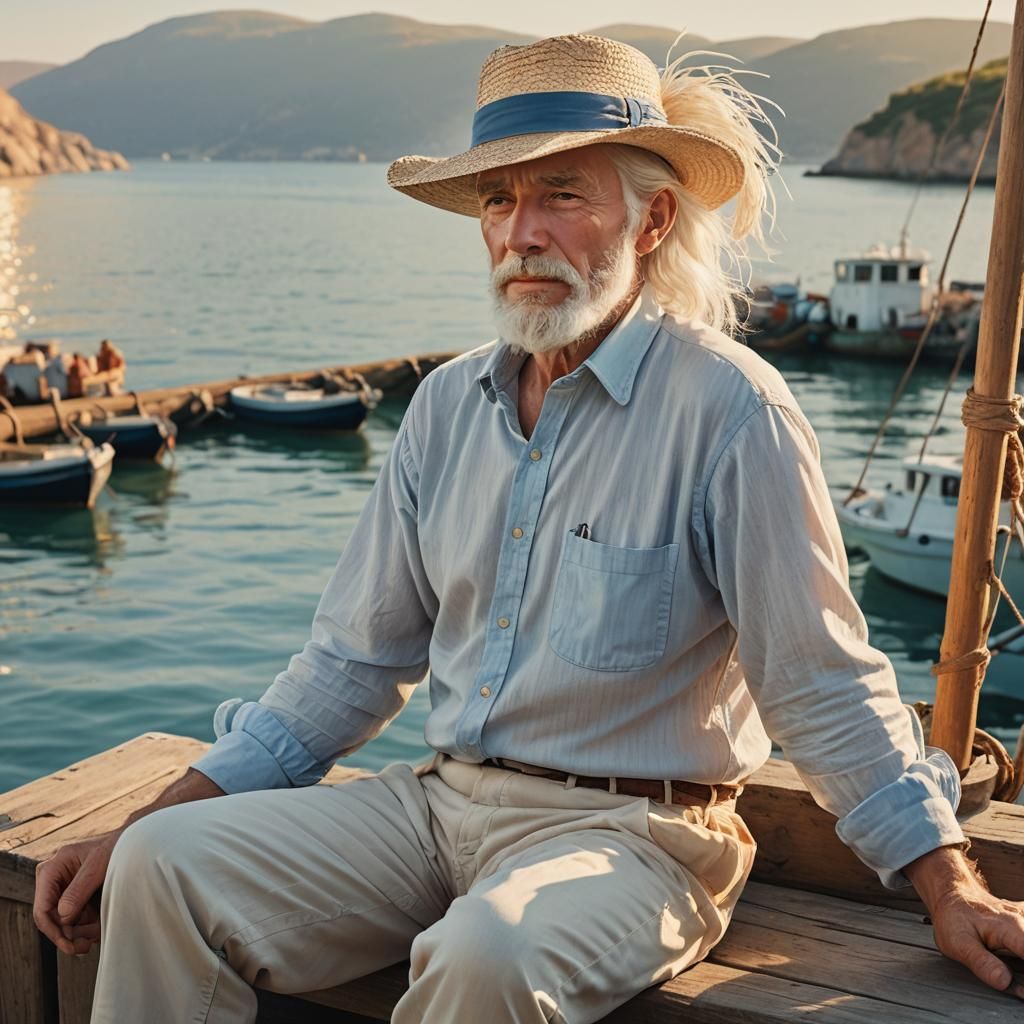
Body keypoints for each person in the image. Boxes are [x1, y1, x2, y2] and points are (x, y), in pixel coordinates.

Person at [33, 34, 1024, 1023]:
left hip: (640, 838)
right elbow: (346, 669)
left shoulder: (733, 414)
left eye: (560, 194)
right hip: (437, 804)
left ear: (650, 220)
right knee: (161, 865)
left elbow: (822, 683)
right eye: (499, 200)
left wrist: (950, 883)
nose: (520, 233)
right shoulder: (442, 408)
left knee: (489, 952)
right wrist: (141, 821)